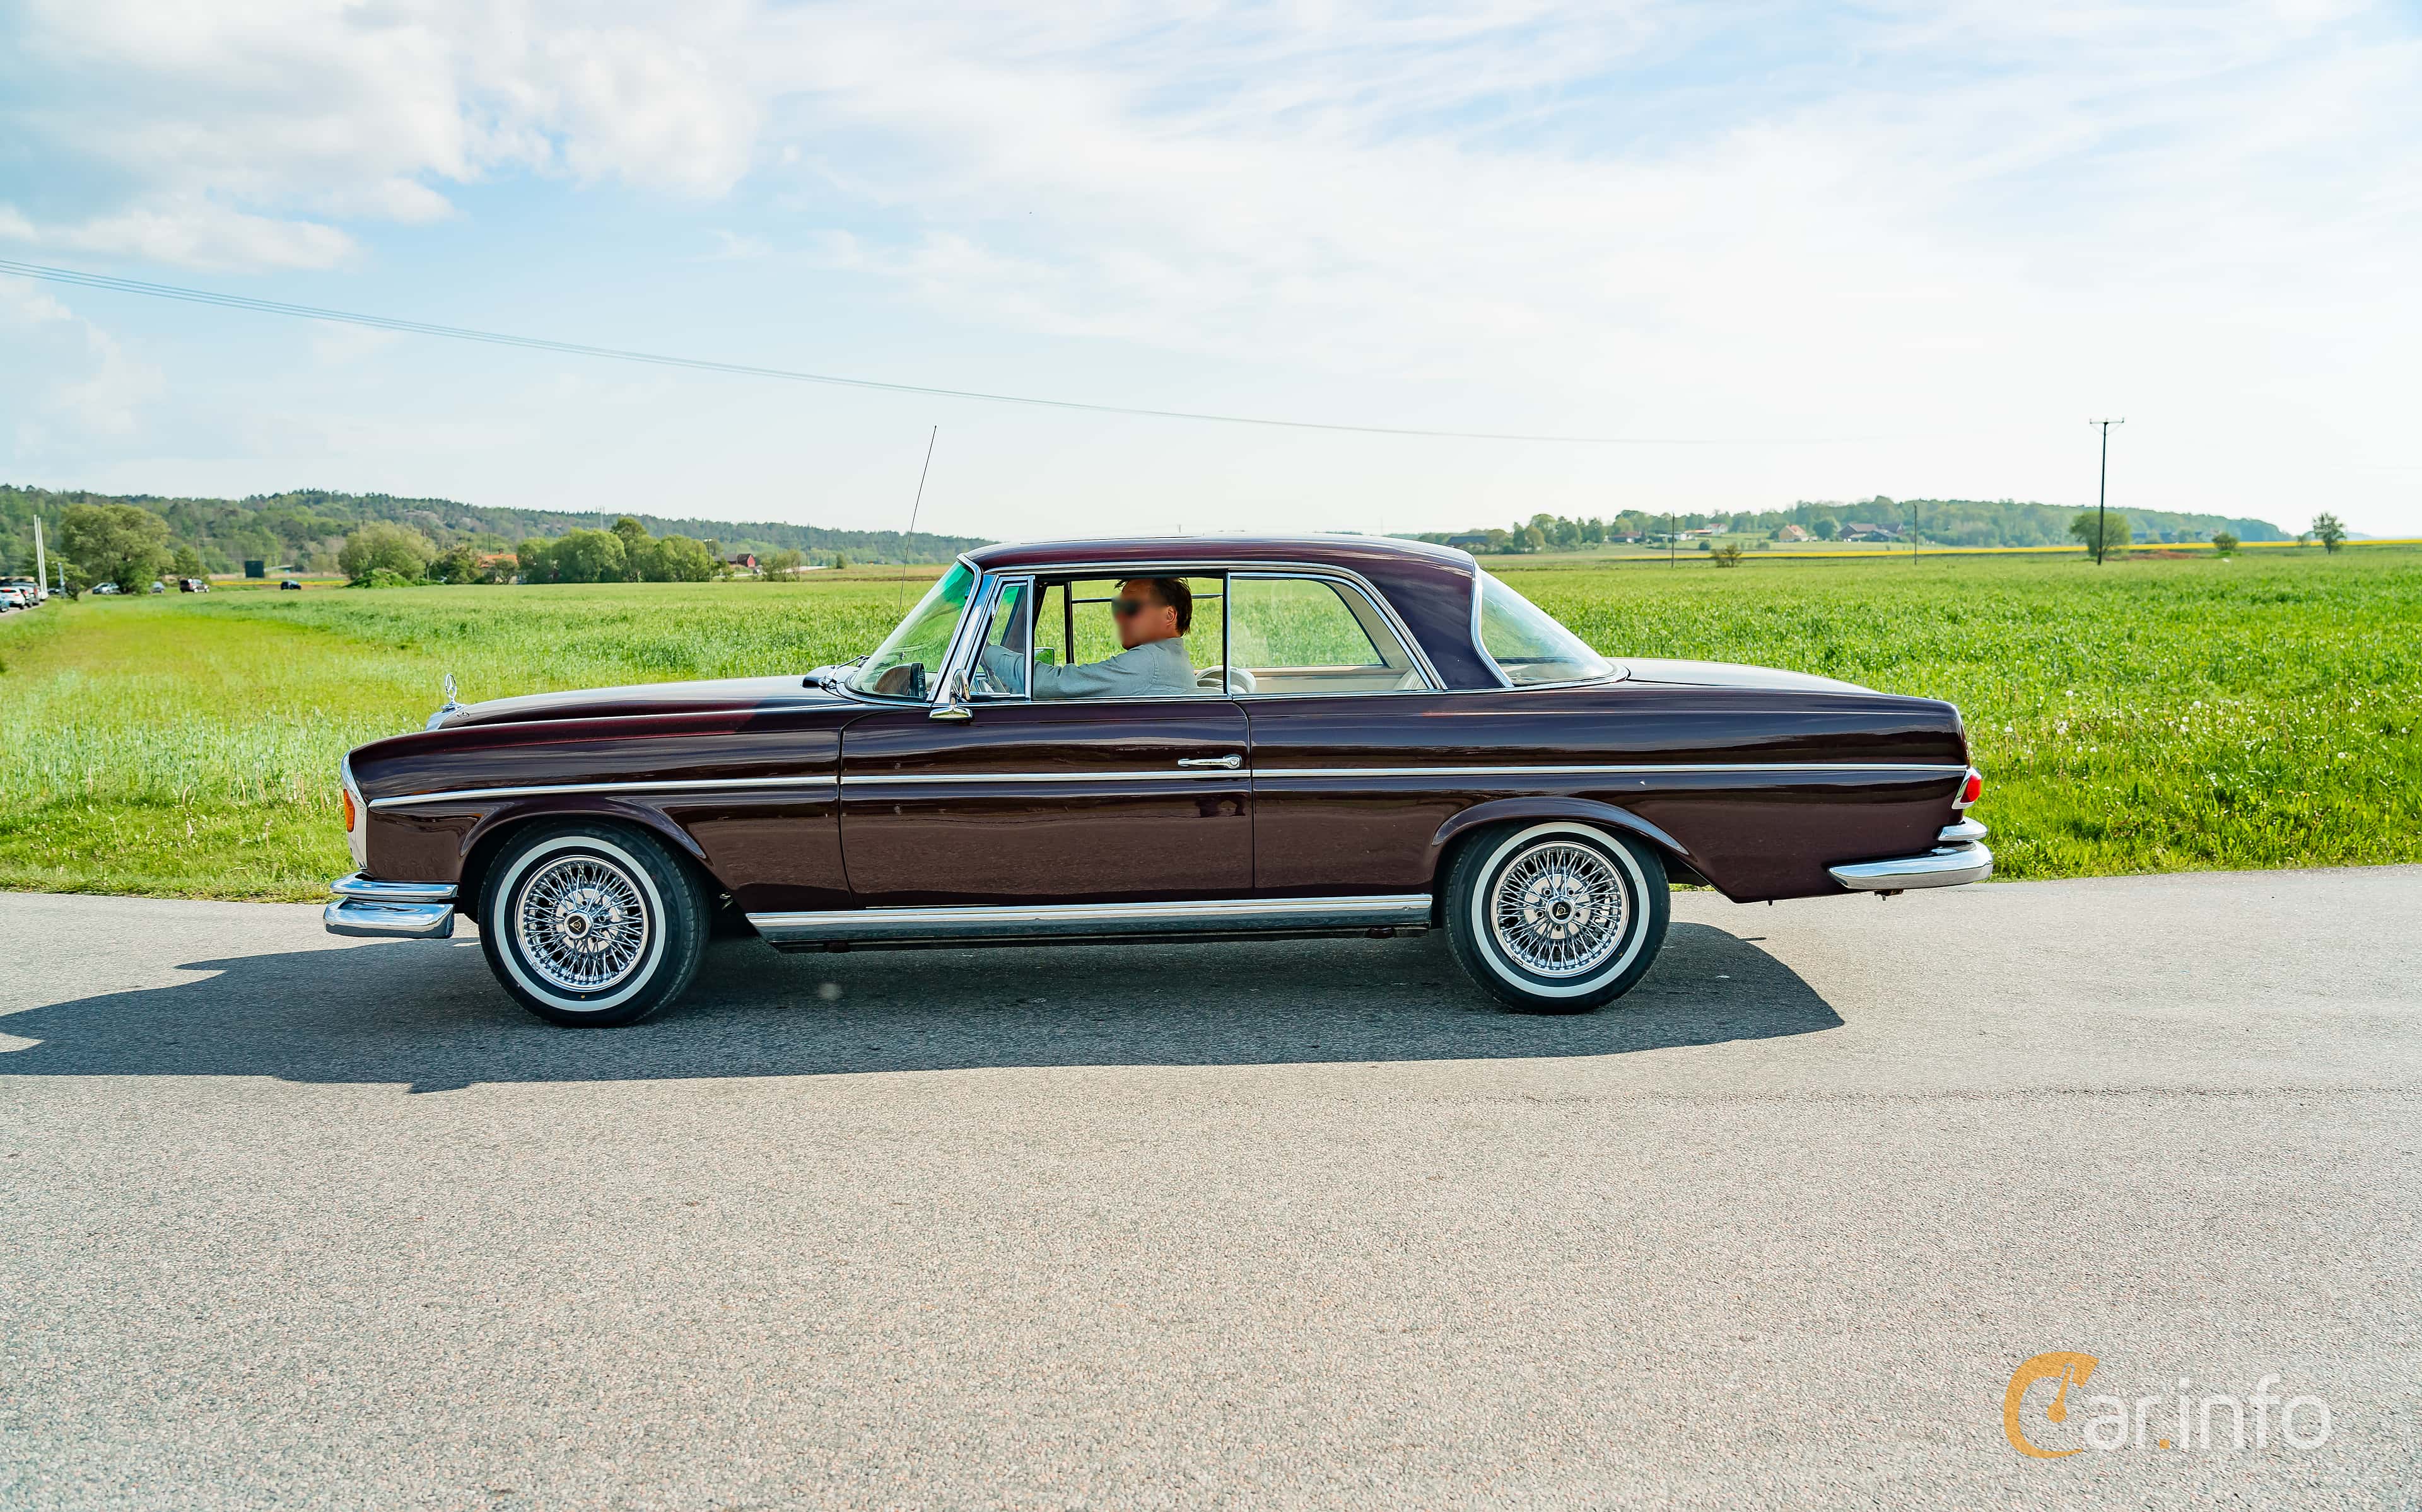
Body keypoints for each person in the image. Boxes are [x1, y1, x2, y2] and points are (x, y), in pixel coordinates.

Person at [980, 577, 1196, 700]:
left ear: (1169, 615)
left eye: (1130, 607)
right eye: (1118, 607)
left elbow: (1054, 685)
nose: (1119, 616)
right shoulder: (1175, 659)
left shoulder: (1149, 662)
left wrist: (987, 651)